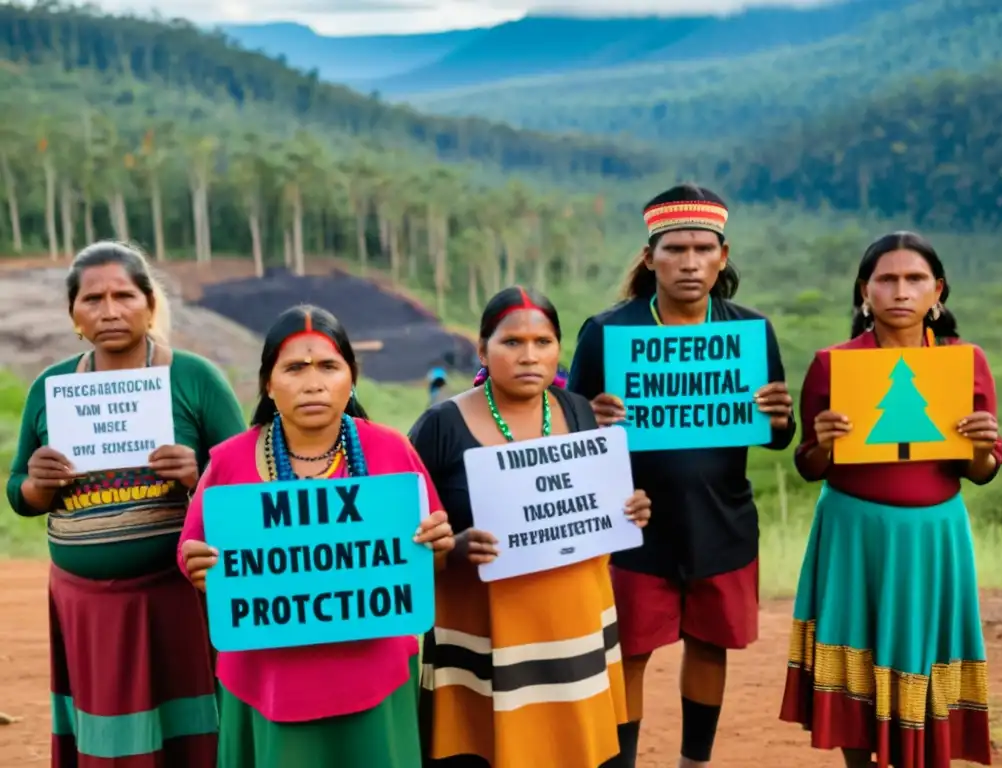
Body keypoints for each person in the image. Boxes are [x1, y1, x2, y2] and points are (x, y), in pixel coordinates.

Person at [567, 184, 796, 768]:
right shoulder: (608, 333)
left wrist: (780, 417)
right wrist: (592, 421)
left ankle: (695, 761)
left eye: (702, 249)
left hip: (722, 519)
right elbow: (568, 438)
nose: (689, 263)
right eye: (675, 249)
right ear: (650, 258)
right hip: (632, 524)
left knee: (710, 645)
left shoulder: (749, 333)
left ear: (722, 255)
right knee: (630, 653)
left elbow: (774, 435)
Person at [178, 304, 455, 768]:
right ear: (269, 383)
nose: (313, 383)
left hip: (376, 675)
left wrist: (438, 546)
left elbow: (432, 558)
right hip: (267, 679)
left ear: (352, 377)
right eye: (294, 368)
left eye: (329, 366)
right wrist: (199, 565)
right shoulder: (229, 461)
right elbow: (192, 557)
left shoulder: (390, 451)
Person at [6, 240, 247, 766]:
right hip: (86, 607)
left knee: (194, 736)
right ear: (73, 314)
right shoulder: (51, 388)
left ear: (149, 303)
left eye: (124, 295)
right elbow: (18, 492)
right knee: (111, 744)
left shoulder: (193, 378)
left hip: (180, 600)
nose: (110, 310)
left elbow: (246, 483)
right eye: (92, 299)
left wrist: (199, 476)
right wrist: (37, 487)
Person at [779, 231, 1001, 768]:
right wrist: (824, 445)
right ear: (865, 291)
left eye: (915, 279)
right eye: (887, 279)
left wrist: (978, 445)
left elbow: (983, 471)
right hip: (855, 534)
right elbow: (808, 467)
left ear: (937, 290)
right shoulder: (833, 365)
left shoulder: (965, 362)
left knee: (925, 665)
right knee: (857, 661)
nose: (901, 291)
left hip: (935, 535)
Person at [412, 286, 652, 768]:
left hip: (574, 631)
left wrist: (629, 511)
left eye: (543, 342)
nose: (529, 356)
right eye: (512, 342)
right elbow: (410, 538)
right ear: (482, 350)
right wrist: (454, 546)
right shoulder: (439, 427)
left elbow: (596, 511)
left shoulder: (580, 413)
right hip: (483, 637)